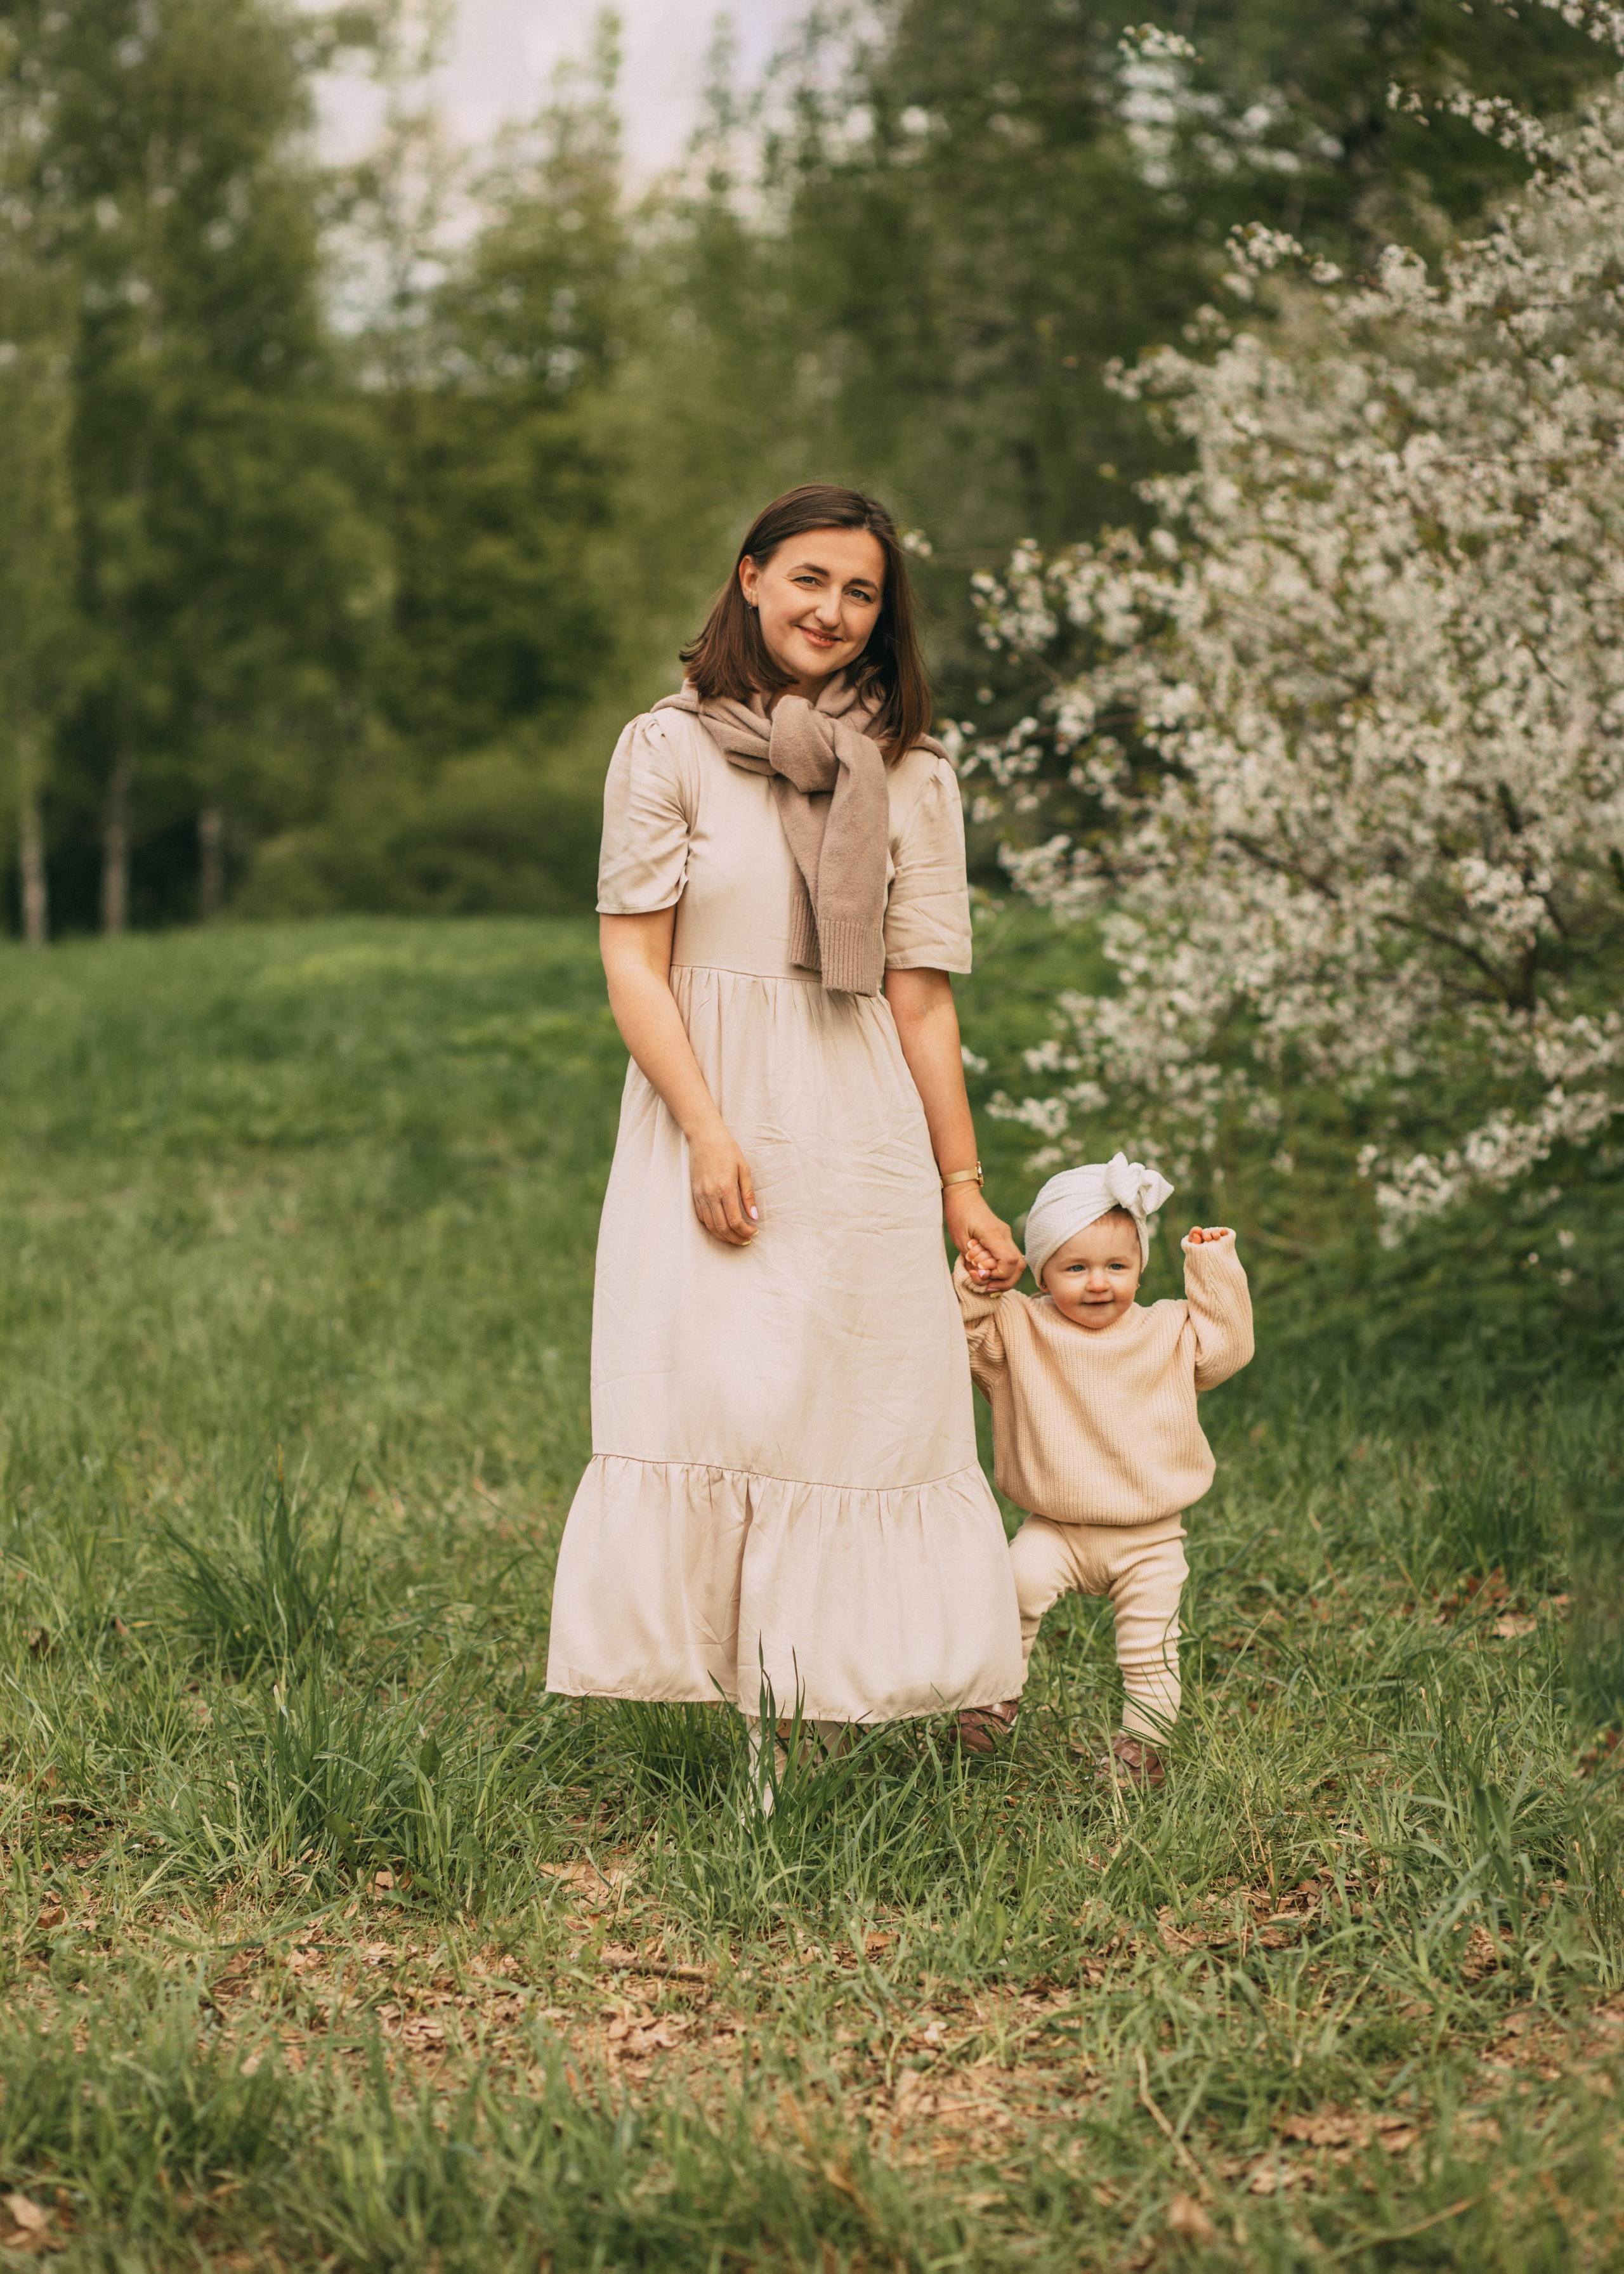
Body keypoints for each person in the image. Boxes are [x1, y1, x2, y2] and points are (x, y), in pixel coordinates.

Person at [545, 483, 1025, 1788]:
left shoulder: (914, 771)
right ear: (750, 578)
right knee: (725, 1391)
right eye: (808, 578)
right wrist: (705, 1128)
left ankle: (835, 1702)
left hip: (854, 1111)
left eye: (860, 591)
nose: (830, 610)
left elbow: (921, 994)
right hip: (710, 1104)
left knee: (856, 1403)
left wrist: (961, 1186)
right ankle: (741, 1704)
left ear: (883, 617)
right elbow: (635, 967)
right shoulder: (668, 747)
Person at [953, 1154, 1253, 1787]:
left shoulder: (1169, 1330)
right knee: (1009, 1592)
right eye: (1075, 1268)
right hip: (1053, 1526)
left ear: (1141, 1268)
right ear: (1039, 1271)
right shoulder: (1020, 1326)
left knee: (1150, 1651)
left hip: (1149, 1535)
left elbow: (1228, 1346)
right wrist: (979, 1282)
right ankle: (991, 1700)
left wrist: (1211, 1263)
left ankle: (1140, 1751)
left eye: (1117, 1267)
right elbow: (965, 1335)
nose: (1098, 1283)